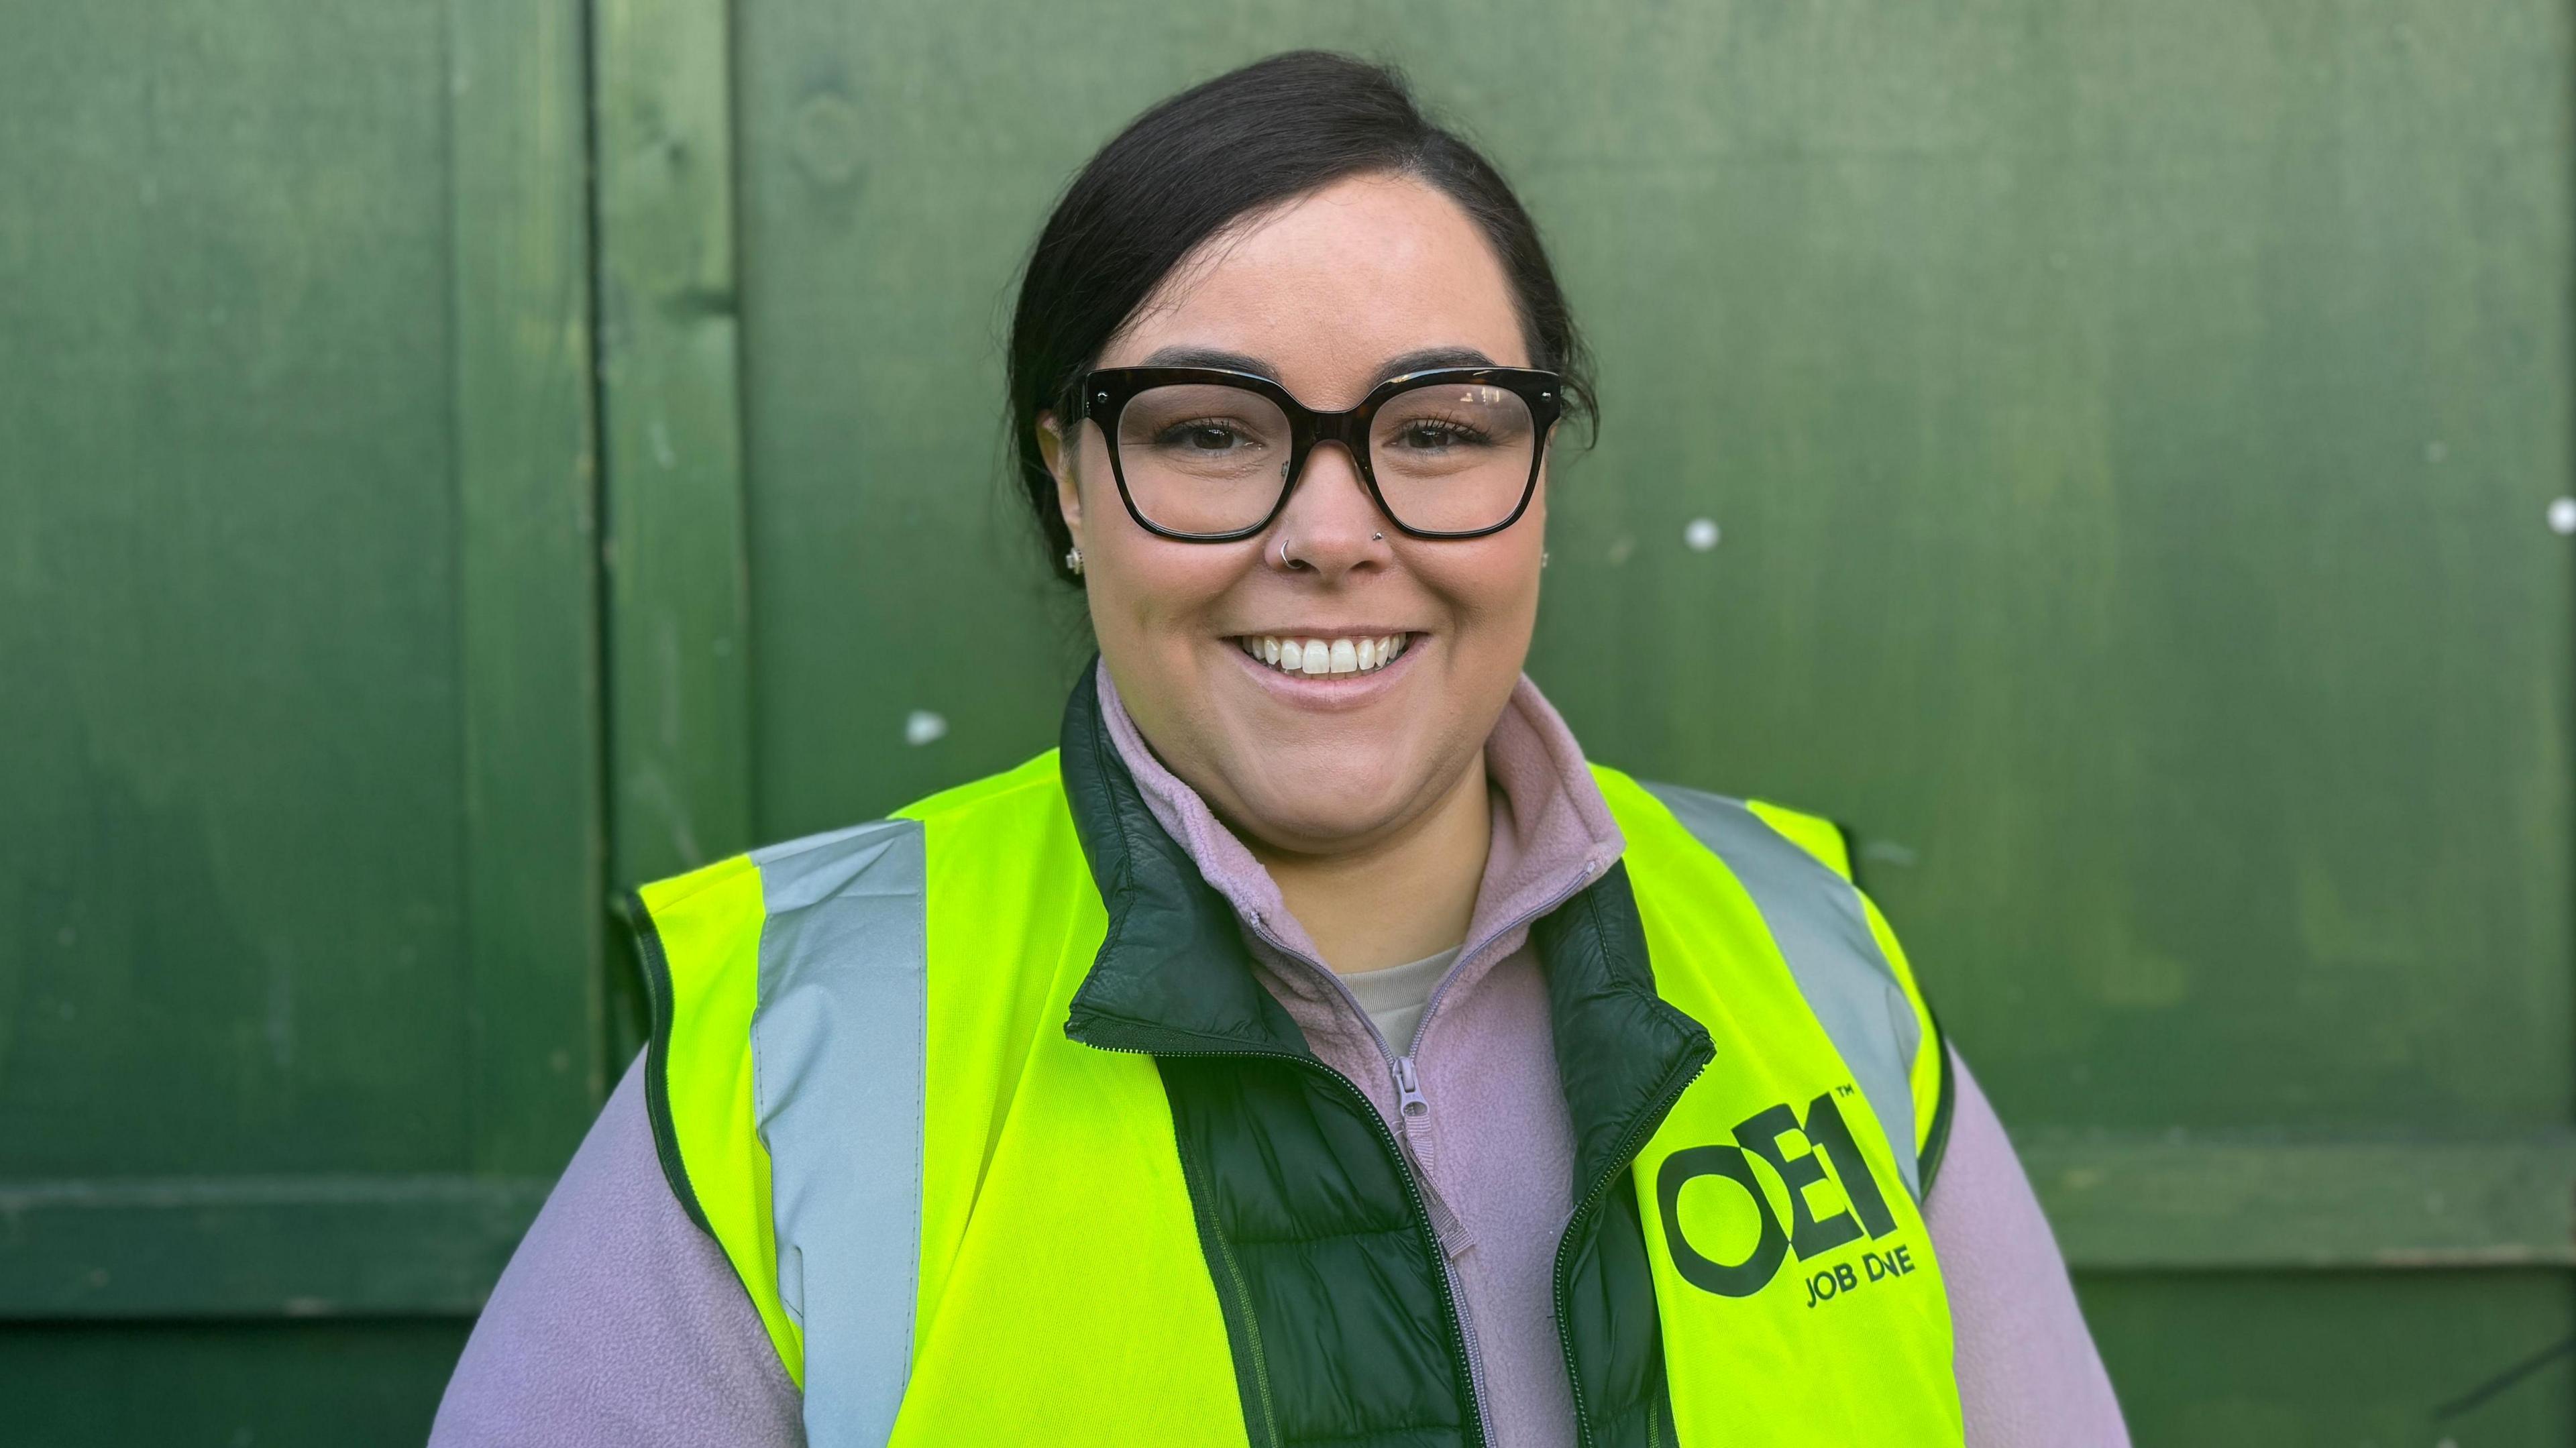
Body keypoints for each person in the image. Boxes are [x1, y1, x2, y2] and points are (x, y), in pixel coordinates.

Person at [431, 49, 2127, 1448]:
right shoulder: (795, 1053)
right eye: (1212, 432)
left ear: (1538, 478)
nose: (1331, 531)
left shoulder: (1813, 958)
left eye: (1439, 428)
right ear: (1071, 484)